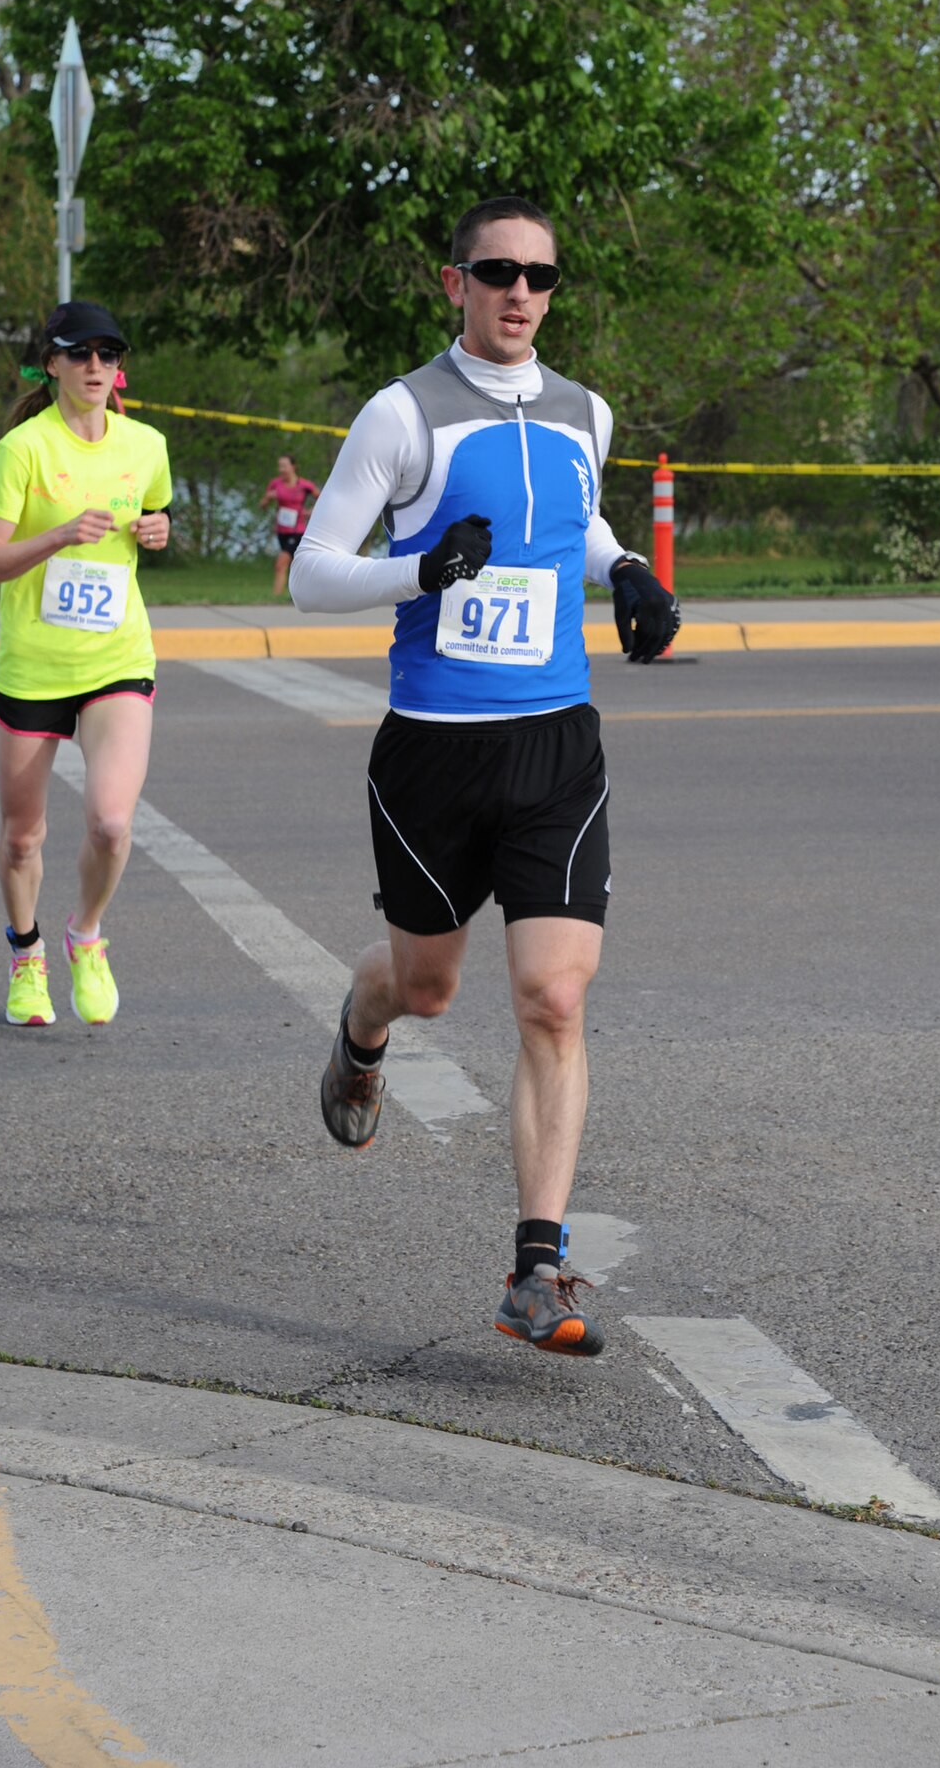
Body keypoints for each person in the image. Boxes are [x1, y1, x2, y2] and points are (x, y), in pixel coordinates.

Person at [289, 194, 680, 1357]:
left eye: (541, 276)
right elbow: (312, 575)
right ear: (452, 280)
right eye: (497, 271)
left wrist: (627, 570)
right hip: (432, 752)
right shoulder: (401, 414)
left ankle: (537, 1268)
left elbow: (578, 514)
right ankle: (362, 1031)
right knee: (426, 986)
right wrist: (419, 569)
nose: (520, 292)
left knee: (554, 997)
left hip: (555, 741)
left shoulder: (584, 411)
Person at [0, 300, 172, 1028]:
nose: (95, 366)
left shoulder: (146, 445)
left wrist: (158, 528)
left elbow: (155, 518)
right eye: (79, 353)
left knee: (112, 823)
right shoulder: (20, 451)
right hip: (34, 668)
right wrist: (54, 537)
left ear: (120, 370)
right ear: (50, 362)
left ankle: (87, 934)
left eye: (107, 354)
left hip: (118, 656)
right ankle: (26, 956)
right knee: (24, 836)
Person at [259, 453, 319, 595]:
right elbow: (262, 505)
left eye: (285, 466)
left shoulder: (304, 485)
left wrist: (312, 511)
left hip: (297, 530)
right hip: (281, 531)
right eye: (280, 466)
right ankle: (299, 594)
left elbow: (323, 498)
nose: (282, 469)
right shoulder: (276, 484)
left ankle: (276, 596)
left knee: (281, 564)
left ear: (293, 467)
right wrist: (267, 498)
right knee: (294, 565)